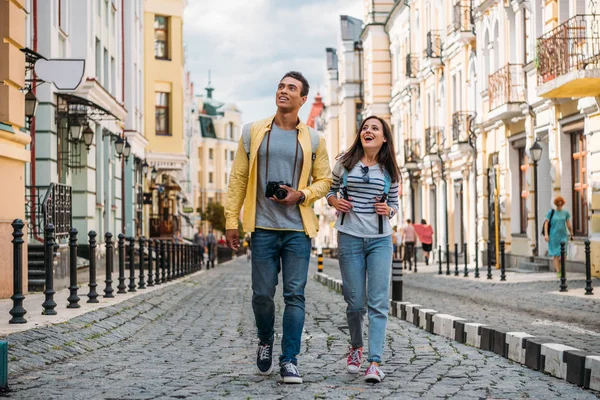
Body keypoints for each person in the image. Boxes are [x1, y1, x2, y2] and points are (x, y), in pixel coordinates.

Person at [224, 71, 332, 384]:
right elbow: (239, 179)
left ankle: (289, 360)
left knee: (295, 295)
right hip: (262, 228)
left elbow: (325, 180)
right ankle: (264, 339)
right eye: (281, 86)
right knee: (261, 294)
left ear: (302, 99)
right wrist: (232, 220)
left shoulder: (314, 139)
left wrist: (303, 194)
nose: (284, 91)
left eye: (291, 88)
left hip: (298, 229)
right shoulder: (252, 132)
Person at [327, 115, 400, 383]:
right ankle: (356, 347)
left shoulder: (389, 169)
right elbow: (329, 190)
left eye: (374, 128)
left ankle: (374, 361)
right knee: (355, 302)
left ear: (383, 138)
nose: (368, 131)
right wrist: (334, 200)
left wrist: (389, 210)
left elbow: (394, 204)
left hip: (380, 240)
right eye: (365, 128)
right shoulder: (345, 163)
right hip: (349, 237)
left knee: (378, 303)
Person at [543, 196, 573, 277]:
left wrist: (572, 233)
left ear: (563, 203)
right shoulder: (551, 212)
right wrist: (546, 234)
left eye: (561, 202)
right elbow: (546, 223)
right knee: (556, 254)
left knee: (564, 253)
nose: (559, 203)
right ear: (556, 203)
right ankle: (558, 271)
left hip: (563, 235)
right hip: (553, 236)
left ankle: (562, 268)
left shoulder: (566, 213)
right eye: (558, 202)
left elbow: (568, 224)